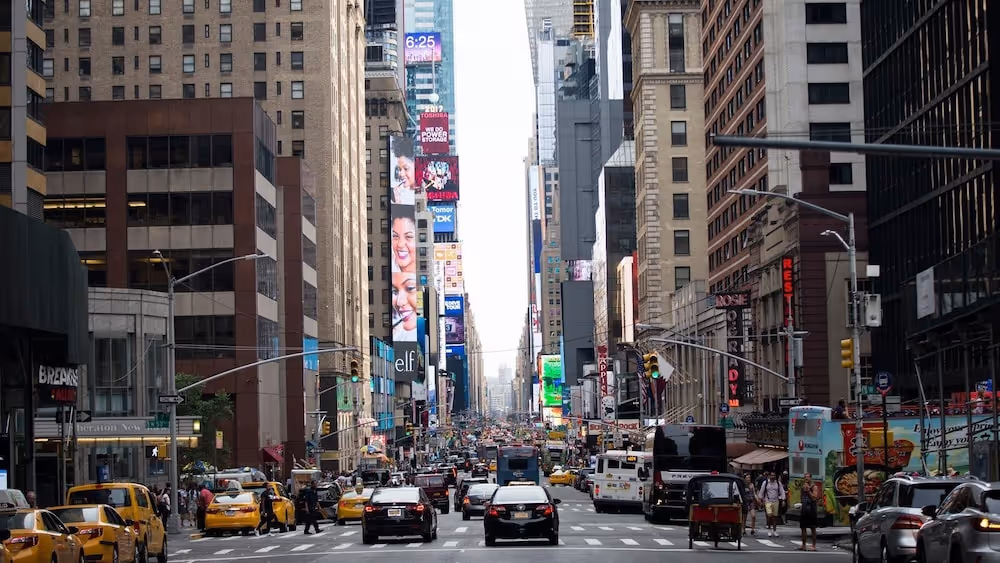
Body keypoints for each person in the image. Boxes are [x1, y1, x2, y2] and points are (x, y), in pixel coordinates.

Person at [757, 472, 785, 537]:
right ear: (769, 476)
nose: (773, 477)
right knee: (769, 515)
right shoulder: (765, 483)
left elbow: (782, 491)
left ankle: (774, 530)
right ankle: (769, 529)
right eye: (771, 475)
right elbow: (762, 491)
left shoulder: (778, 483)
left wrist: (783, 500)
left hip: (776, 501)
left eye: (774, 475)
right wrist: (760, 499)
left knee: (775, 517)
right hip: (768, 501)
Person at [799, 473, 820, 551]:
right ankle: (803, 545)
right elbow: (801, 497)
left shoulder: (814, 487)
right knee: (803, 527)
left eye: (808, 477)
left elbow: (814, 498)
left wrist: (808, 491)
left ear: (811, 478)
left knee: (813, 528)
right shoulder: (802, 487)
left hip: (812, 509)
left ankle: (813, 545)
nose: (806, 478)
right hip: (804, 509)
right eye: (805, 477)